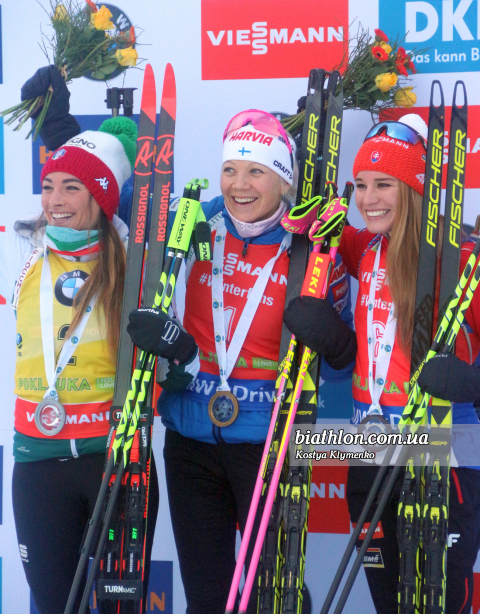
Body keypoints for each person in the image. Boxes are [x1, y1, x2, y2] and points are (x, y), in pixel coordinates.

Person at [126, 109, 355, 614]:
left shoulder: (312, 248)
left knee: (274, 597)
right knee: (207, 599)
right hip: (189, 442)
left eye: (256, 171)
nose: (239, 184)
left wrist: (334, 339)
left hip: (268, 446)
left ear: (283, 180)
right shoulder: (193, 226)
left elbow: (342, 365)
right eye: (231, 169)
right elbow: (130, 216)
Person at [284, 114, 480, 614]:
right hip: (367, 447)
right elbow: (307, 224)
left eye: (384, 185)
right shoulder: (362, 244)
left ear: (414, 189)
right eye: (362, 185)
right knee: (386, 601)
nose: (368, 198)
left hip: (442, 450)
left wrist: (474, 382)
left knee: (436, 603)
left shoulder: (460, 260)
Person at [0, 116, 170, 614]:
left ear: (100, 199)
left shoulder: (135, 267)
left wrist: (176, 354)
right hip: (38, 463)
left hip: (115, 460)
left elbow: (171, 370)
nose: (55, 199)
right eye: (49, 186)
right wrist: (60, 126)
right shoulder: (22, 254)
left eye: (72, 188)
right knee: (54, 606)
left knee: (120, 608)